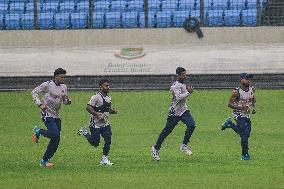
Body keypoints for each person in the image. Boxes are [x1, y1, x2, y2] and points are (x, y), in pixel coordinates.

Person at [151, 67, 196, 161]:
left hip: (183, 110)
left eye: (185, 74)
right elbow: (178, 97)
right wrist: (189, 92)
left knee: (192, 125)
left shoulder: (183, 84)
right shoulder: (175, 85)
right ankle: (156, 148)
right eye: (183, 75)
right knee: (167, 131)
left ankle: (184, 145)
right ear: (178, 75)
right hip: (174, 112)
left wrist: (187, 92)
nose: (185, 76)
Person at [31, 68, 71, 167]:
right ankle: (38, 131)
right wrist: (39, 104)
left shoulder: (64, 87)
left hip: (56, 116)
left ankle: (44, 161)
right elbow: (34, 92)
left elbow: (65, 102)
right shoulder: (47, 84)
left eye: (64, 77)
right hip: (47, 114)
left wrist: (67, 101)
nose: (63, 79)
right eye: (61, 77)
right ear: (56, 76)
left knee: (56, 139)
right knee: (55, 134)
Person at [77, 79, 117, 165]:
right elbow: (88, 107)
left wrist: (112, 111)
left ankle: (104, 159)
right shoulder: (95, 97)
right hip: (95, 124)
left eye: (108, 85)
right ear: (100, 87)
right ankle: (84, 132)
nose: (108, 87)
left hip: (105, 123)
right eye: (106, 86)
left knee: (108, 140)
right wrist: (96, 114)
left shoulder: (108, 98)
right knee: (95, 143)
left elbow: (107, 109)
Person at [221, 73, 256, 160]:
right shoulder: (236, 92)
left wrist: (254, 108)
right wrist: (240, 107)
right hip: (239, 115)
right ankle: (245, 155)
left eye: (249, 79)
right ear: (241, 80)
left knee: (246, 135)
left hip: (247, 115)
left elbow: (253, 99)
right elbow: (229, 104)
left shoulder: (252, 89)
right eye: (246, 78)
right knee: (244, 136)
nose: (248, 80)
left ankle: (230, 124)